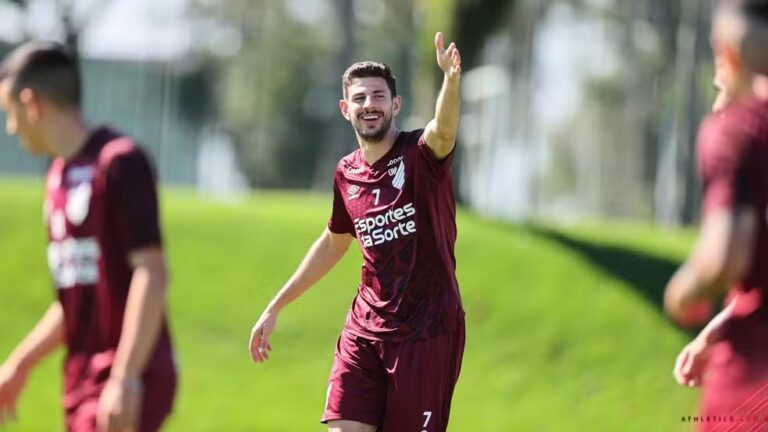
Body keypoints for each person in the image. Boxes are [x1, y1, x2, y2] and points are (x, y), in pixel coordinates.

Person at [249, 32, 465, 432]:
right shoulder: (346, 174)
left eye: (379, 96)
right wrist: (274, 306)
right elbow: (334, 242)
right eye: (361, 98)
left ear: (395, 105)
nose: (370, 105)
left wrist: (450, 81)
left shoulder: (420, 156)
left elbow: (445, 130)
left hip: (426, 330)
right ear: (345, 108)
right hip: (364, 331)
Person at [0, 41, 176, 432]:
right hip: (81, 382)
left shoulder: (119, 161)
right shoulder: (56, 179)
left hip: (127, 381)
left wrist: (124, 377)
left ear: (31, 103)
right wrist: (18, 365)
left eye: (9, 113)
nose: (11, 128)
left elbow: (152, 272)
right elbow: (76, 300)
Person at [664, 0, 768, 428]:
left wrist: (683, 295)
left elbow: (725, 259)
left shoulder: (737, 132)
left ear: (728, 53)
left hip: (751, 390)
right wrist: (717, 328)